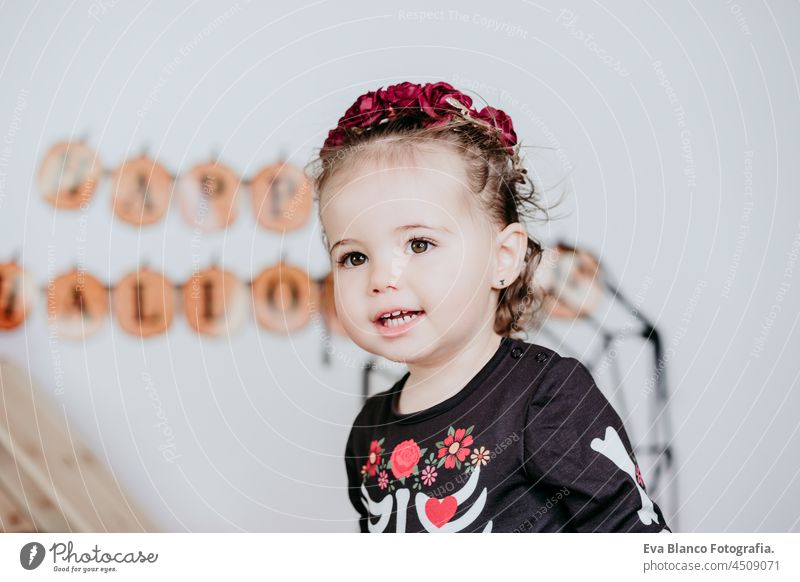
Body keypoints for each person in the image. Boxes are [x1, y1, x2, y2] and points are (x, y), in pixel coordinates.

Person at [308, 81, 671, 533]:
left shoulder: (545, 397)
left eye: (419, 243)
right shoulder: (368, 431)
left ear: (503, 259)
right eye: (354, 257)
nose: (382, 278)